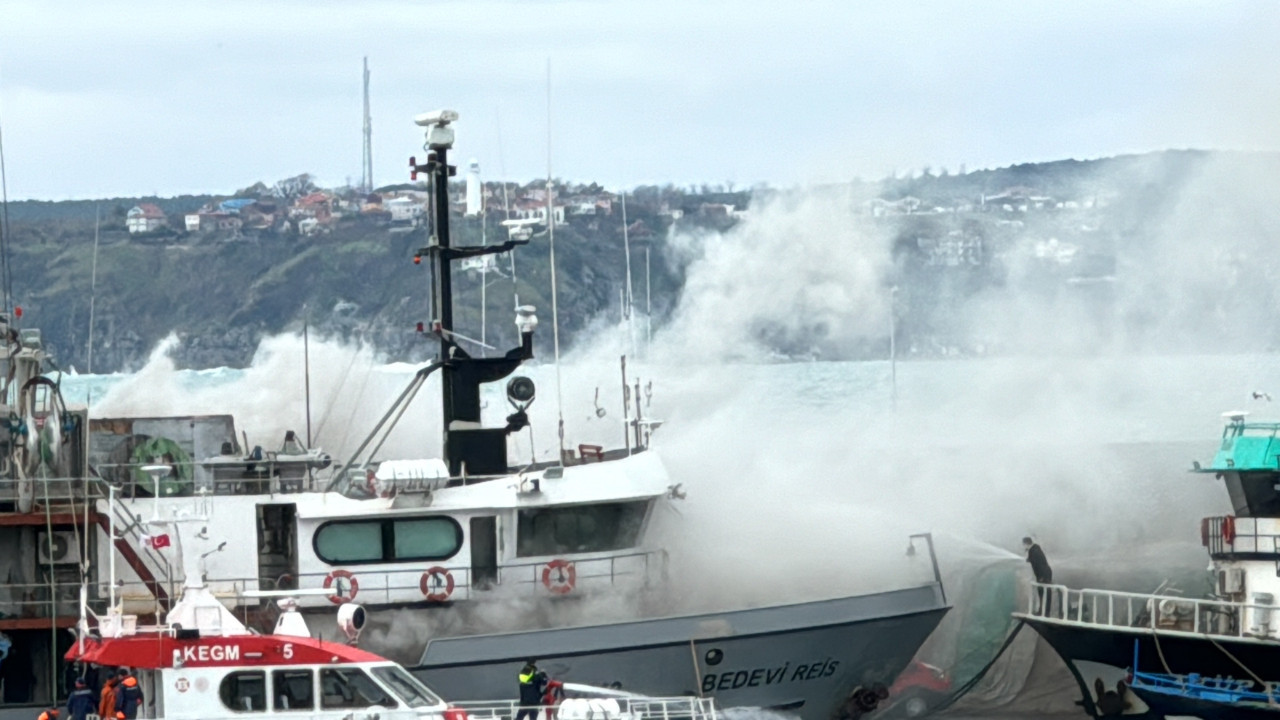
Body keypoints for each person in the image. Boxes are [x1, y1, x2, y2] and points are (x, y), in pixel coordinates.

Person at [1023, 536, 1053, 616]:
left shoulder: (1034, 550)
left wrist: (1041, 577)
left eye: (1024, 544)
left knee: (1044, 593)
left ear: (1026, 543)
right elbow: (1033, 560)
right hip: (1045, 573)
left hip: (1044, 574)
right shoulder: (1035, 549)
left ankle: (1044, 612)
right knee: (1043, 593)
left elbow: (1039, 563)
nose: (1023, 546)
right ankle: (1043, 612)